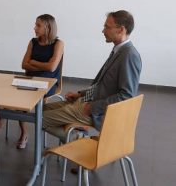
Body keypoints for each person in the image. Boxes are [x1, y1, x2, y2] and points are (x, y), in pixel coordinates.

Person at [42, 10, 142, 142]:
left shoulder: (129, 55)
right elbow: (102, 85)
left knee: (39, 118)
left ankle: (74, 138)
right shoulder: (119, 51)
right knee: (42, 110)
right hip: (87, 102)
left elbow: (126, 96)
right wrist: (80, 94)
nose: (103, 30)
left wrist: (92, 108)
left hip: (95, 111)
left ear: (121, 30)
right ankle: (74, 136)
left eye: (107, 27)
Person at [17, 14, 64, 149]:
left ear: (48, 27)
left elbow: (52, 67)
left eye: (38, 25)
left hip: (48, 82)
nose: (34, 28)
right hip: (30, 79)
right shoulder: (33, 41)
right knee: (19, 103)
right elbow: (24, 64)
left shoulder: (58, 43)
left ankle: (39, 131)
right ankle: (24, 133)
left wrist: (33, 62)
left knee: (36, 101)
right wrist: (41, 64)